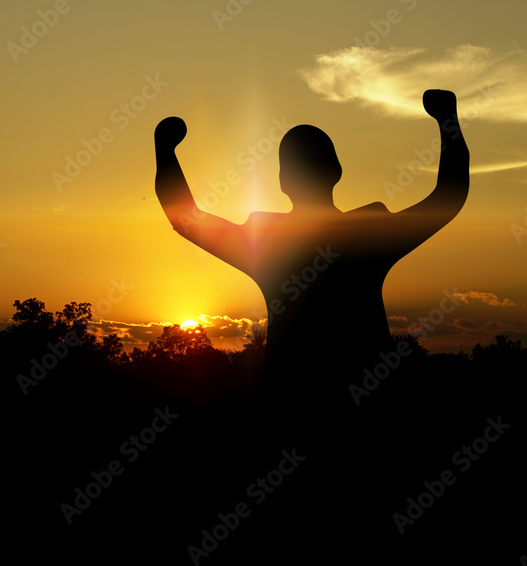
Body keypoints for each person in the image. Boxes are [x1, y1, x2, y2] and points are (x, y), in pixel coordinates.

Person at [154, 90, 469, 397]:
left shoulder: (267, 245)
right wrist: (447, 122)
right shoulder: (367, 235)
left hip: (294, 403)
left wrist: (166, 152)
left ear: (282, 180)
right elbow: (448, 196)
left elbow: (184, 218)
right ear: (336, 170)